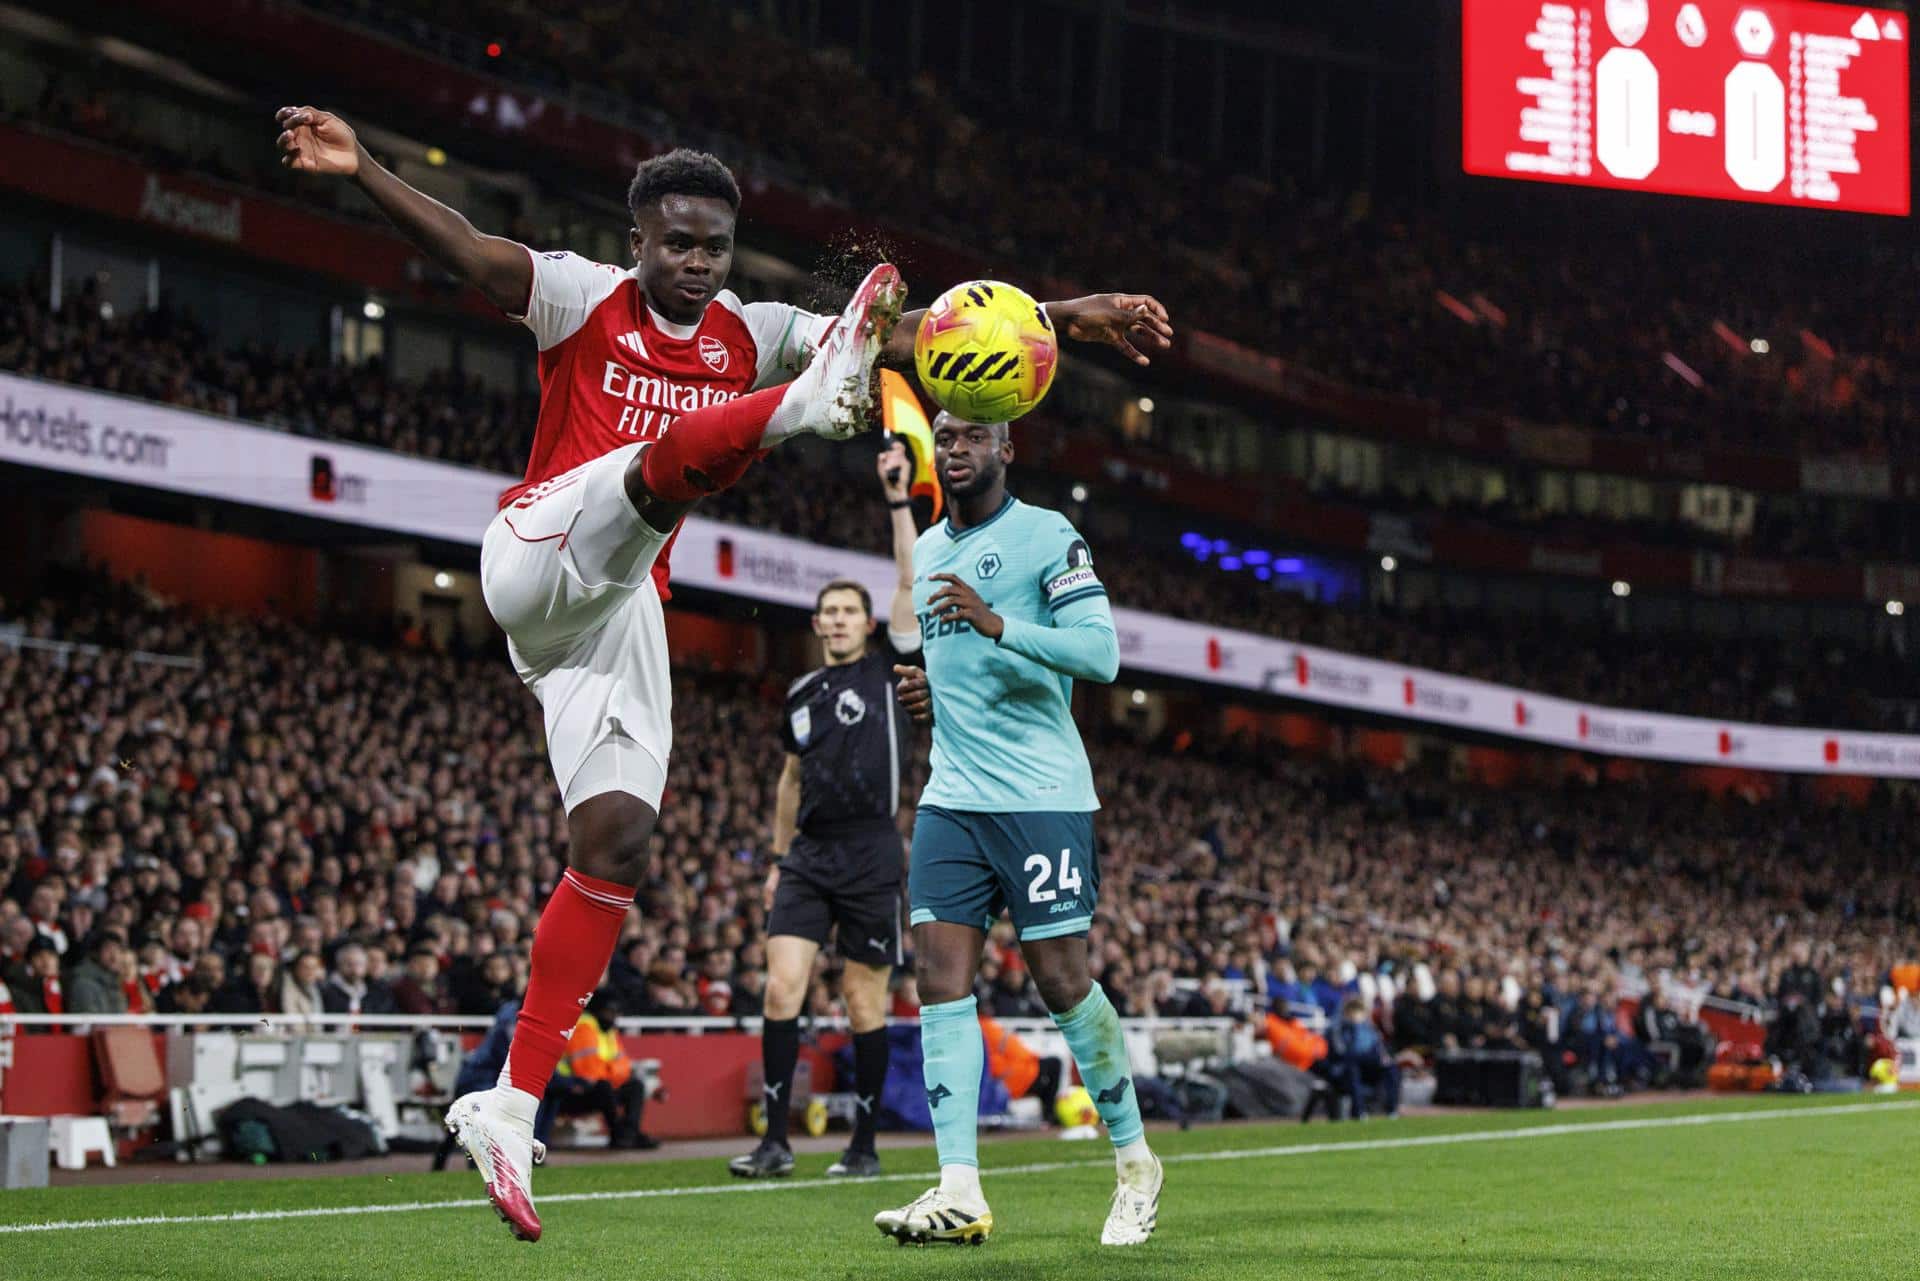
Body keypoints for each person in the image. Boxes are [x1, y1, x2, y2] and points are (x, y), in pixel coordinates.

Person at [275, 103, 1165, 1243]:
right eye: (676, 243)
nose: (695, 264)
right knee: (649, 475)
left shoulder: (750, 326)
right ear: (639, 237)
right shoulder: (580, 294)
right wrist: (367, 170)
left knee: (618, 843)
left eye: (713, 248)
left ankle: (506, 1103)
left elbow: (931, 338)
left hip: (615, 617)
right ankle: (807, 410)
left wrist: (1068, 317)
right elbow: (470, 250)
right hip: (539, 549)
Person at [876, 409, 1169, 1248]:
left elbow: (1102, 654)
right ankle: (959, 1185)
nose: (956, 447)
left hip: (1042, 795)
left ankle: (1136, 1162)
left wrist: (998, 623)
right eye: (946, 434)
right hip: (953, 797)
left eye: (974, 435)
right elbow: (958, 664)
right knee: (938, 979)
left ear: (1008, 449)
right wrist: (935, 692)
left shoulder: (1049, 535)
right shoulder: (928, 550)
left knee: (1063, 983)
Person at [730, 446, 922, 1182]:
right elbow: (787, 778)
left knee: (860, 998)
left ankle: (864, 1146)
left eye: (849, 611)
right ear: (816, 623)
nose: (838, 620)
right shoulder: (802, 690)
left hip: (874, 851)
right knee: (783, 985)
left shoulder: (889, 669)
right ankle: (776, 1141)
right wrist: (780, 861)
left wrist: (898, 500)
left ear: (869, 624)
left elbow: (909, 576)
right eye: (828, 612)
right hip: (810, 853)